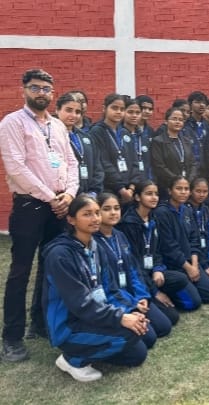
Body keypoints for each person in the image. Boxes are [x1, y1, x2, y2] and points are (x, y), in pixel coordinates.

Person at [0, 69, 79, 361]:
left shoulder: (57, 125)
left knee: (51, 266)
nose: (41, 93)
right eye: (35, 88)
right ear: (23, 90)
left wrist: (69, 195)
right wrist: (51, 197)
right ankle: (12, 337)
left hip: (58, 205)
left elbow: (71, 162)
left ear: (52, 93)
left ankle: (41, 322)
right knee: (20, 271)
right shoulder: (12, 122)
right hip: (30, 206)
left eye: (46, 89)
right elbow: (16, 167)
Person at [43, 195, 148, 382]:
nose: (95, 218)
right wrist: (120, 318)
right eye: (87, 214)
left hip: (95, 315)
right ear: (71, 220)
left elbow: (109, 289)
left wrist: (129, 310)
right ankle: (71, 359)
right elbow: (80, 304)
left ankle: (92, 347)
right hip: (70, 325)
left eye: (97, 213)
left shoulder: (95, 246)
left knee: (138, 352)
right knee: (130, 333)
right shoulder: (60, 255)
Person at [95, 193, 172, 348]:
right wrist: (132, 306)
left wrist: (141, 296)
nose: (113, 213)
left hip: (132, 294)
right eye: (107, 209)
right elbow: (107, 286)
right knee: (149, 338)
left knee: (165, 326)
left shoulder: (120, 235)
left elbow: (133, 270)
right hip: (115, 301)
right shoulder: (94, 242)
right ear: (97, 213)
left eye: (116, 208)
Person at [116, 180, 187, 320]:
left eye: (156, 194)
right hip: (138, 277)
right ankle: (152, 298)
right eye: (149, 194)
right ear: (137, 197)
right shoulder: (128, 224)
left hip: (152, 271)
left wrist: (157, 269)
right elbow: (133, 263)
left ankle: (161, 298)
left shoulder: (153, 217)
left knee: (181, 279)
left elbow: (157, 250)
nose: (154, 197)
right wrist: (154, 291)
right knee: (171, 318)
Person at [152, 176, 209, 306]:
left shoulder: (187, 210)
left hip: (190, 261)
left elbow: (194, 239)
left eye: (186, 189)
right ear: (170, 191)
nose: (183, 192)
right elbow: (169, 247)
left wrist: (195, 266)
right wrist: (188, 268)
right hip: (174, 265)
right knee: (194, 303)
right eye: (179, 188)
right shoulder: (161, 212)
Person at [89, 93, 140, 204]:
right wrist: (121, 189)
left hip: (129, 190)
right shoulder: (97, 131)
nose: (118, 112)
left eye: (122, 109)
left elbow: (135, 161)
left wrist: (132, 188)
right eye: (114, 108)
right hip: (109, 189)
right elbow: (104, 162)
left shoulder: (125, 132)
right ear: (104, 108)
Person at [56, 93, 103, 198]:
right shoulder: (51, 137)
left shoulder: (86, 137)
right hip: (64, 197)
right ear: (57, 110)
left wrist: (93, 192)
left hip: (88, 197)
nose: (73, 115)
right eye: (68, 110)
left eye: (77, 112)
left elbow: (97, 167)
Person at [150, 108, 197, 195]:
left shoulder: (187, 141)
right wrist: (177, 181)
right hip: (167, 186)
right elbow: (159, 166)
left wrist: (188, 180)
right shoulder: (158, 141)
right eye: (174, 119)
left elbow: (193, 163)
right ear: (166, 121)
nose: (177, 122)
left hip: (186, 185)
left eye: (180, 120)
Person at [122, 98, 151, 182]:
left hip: (144, 182)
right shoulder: (119, 135)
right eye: (130, 112)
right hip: (126, 182)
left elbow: (148, 163)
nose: (134, 115)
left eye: (138, 113)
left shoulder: (143, 136)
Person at [184, 91, 209, 167]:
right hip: (190, 167)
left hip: (206, 167)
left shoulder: (207, 125)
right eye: (197, 102)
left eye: (203, 102)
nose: (201, 105)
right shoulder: (184, 125)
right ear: (190, 105)